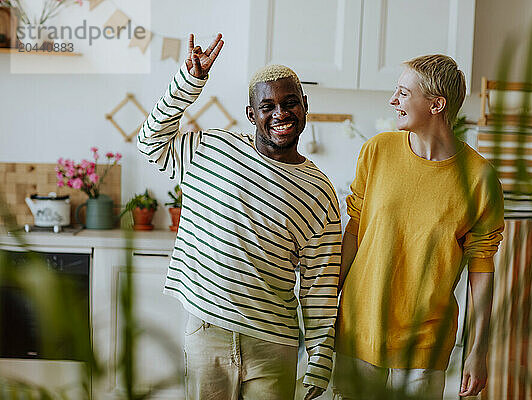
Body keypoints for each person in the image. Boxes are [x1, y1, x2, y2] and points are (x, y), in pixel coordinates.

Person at [137, 33, 341, 400]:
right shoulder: (211, 149)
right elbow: (149, 141)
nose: (280, 114)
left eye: (290, 103)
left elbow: (320, 283)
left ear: (305, 106)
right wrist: (189, 81)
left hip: (274, 344)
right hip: (207, 332)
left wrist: (320, 358)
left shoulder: (320, 191)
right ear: (251, 114)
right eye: (268, 106)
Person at [333, 54, 504, 399]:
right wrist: (324, 308)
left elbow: (481, 268)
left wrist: (478, 349)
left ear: (436, 104)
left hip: (424, 346)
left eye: (403, 93)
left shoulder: (479, 179)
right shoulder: (376, 151)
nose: (393, 101)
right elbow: (353, 232)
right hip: (357, 332)